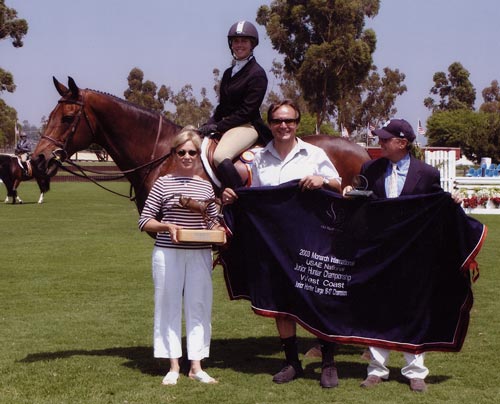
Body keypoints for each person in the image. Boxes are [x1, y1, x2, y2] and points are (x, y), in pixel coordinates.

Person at [222, 100, 342, 388]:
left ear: (297, 123)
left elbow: (338, 183)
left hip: (311, 239)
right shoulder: (259, 158)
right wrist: (231, 196)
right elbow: (253, 196)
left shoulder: (314, 154)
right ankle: (292, 362)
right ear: (271, 124)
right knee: (282, 302)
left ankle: (328, 362)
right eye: (277, 121)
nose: (283, 126)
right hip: (275, 243)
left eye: (289, 121)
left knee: (317, 297)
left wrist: (321, 180)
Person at [349, 118, 443, 393]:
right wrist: (350, 195)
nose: (380, 142)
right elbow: (361, 204)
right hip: (378, 253)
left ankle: (415, 372)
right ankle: (376, 370)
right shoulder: (370, 168)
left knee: (412, 311)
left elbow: (435, 209)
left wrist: (452, 204)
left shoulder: (426, 174)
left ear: (402, 143)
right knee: (377, 309)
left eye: (385, 139)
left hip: (413, 256)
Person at [138, 127, 222, 386]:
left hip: (199, 254)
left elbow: (212, 222)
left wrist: (218, 230)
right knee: (168, 306)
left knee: (199, 306)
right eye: (181, 152)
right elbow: (145, 220)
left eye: (192, 152)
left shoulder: (206, 187)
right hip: (168, 254)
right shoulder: (163, 183)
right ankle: (173, 364)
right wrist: (167, 227)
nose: (187, 156)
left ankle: (196, 366)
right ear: (174, 153)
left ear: (198, 155)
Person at [198, 20, 272, 189]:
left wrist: (218, 126)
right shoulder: (228, 73)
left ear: (252, 44)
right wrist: (207, 125)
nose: (239, 45)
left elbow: (247, 111)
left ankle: (242, 201)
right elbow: (222, 106)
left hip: (247, 126)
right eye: (236, 41)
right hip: (227, 125)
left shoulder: (257, 74)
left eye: (244, 41)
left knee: (220, 155)